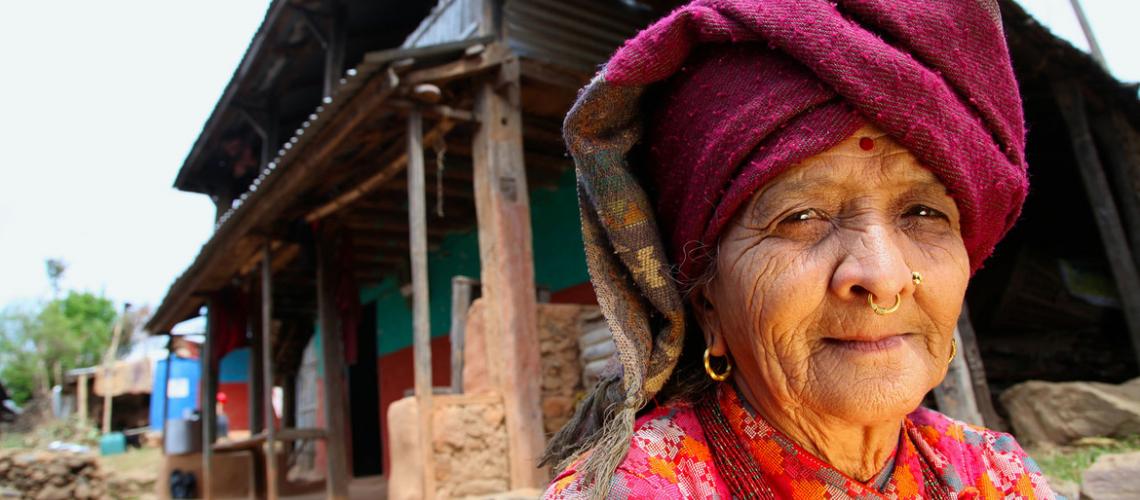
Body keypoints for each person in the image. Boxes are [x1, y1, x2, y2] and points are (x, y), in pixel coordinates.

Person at [541, 0, 1058, 498]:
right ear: (706, 301)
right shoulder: (638, 491)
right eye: (801, 218)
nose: (883, 276)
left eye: (924, 214)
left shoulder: (997, 471)